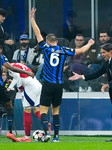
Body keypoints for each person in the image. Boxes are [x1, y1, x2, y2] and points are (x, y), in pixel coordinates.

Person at [30, 7, 95, 142]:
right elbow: (81, 50)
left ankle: (45, 133)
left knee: (43, 110)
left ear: (48, 42)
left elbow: (37, 33)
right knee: (56, 111)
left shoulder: (46, 48)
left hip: (48, 83)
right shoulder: (64, 49)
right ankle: (56, 137)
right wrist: (89, 44)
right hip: (59, 84)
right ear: (57, 42)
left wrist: (32, 18)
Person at [69, 43, 112, 142]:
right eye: (102, 52)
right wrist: (81, 76)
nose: (102, 54)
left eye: (104, 52)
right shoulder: (107, 62)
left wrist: (107, 85)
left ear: (110, 52)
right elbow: (97, 73)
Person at [5, 63, 41, 142]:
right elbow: (21, 79)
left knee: (26, 111)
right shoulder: (18, 64)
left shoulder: (10, 68)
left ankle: (27, 137)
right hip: (37, 84)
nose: (3, 72)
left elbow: (17, 77)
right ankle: (47, 125)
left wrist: (10, 88)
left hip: (30, 87)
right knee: (36, 110)